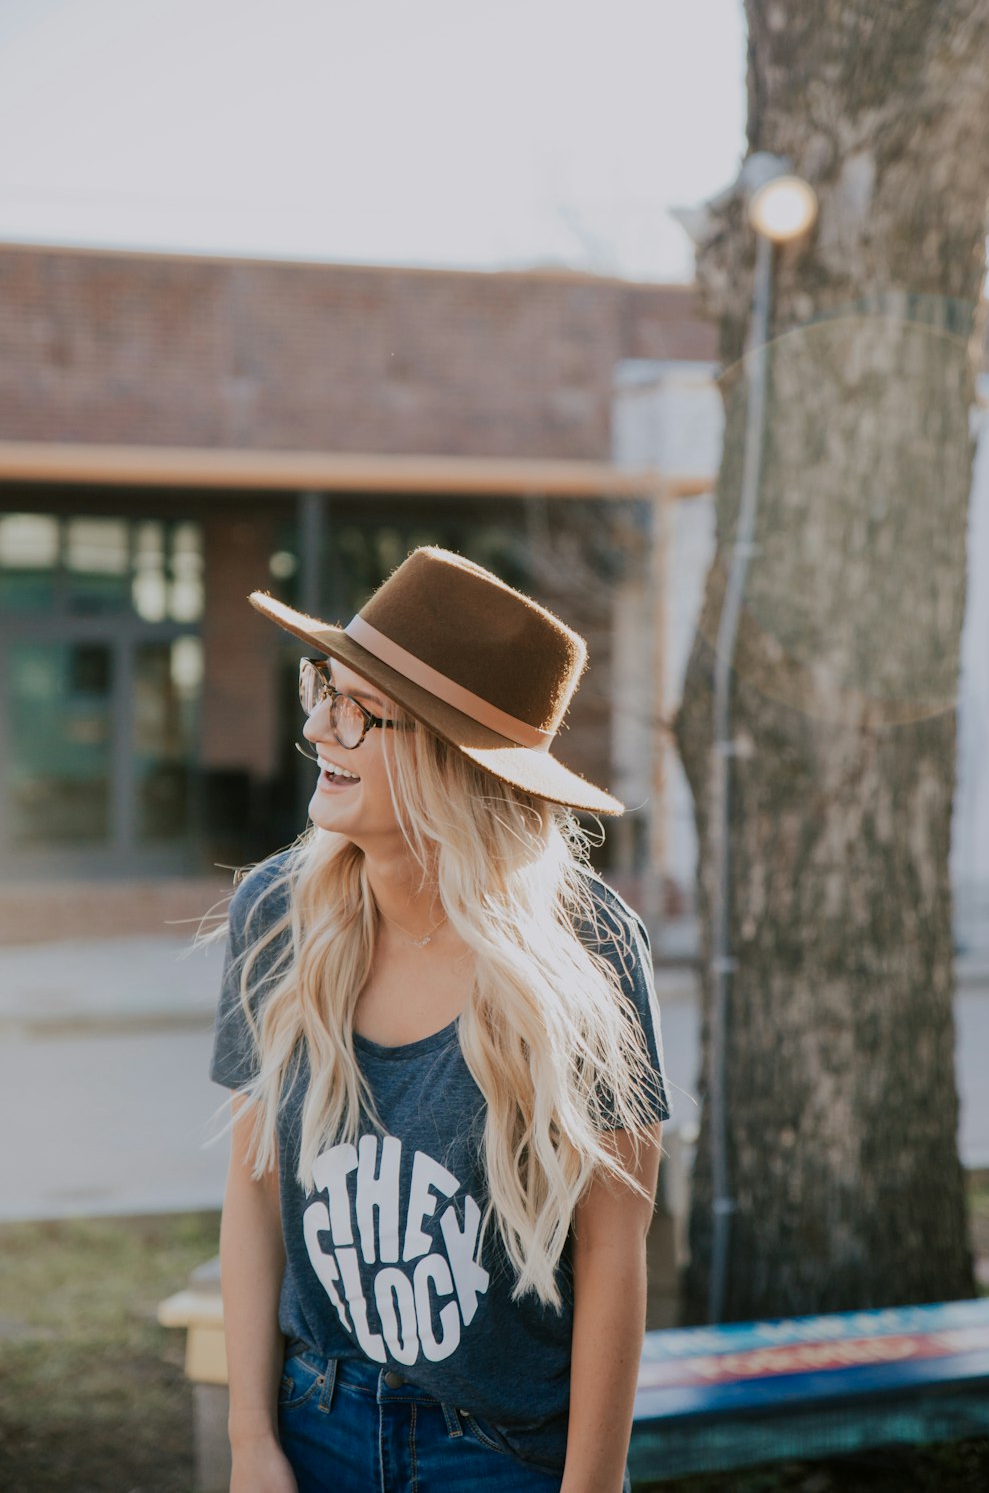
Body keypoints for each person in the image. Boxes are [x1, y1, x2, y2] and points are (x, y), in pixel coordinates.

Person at [207, 544, 672, 1493]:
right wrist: (251, 1442)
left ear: (447, 757)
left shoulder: (587, 944)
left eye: (356, 709)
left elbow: (614, 1245)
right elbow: (254, 1192)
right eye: (320, 689)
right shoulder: (275, 913)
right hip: (316, 1424)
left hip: (504, 1454)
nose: (319, 729)